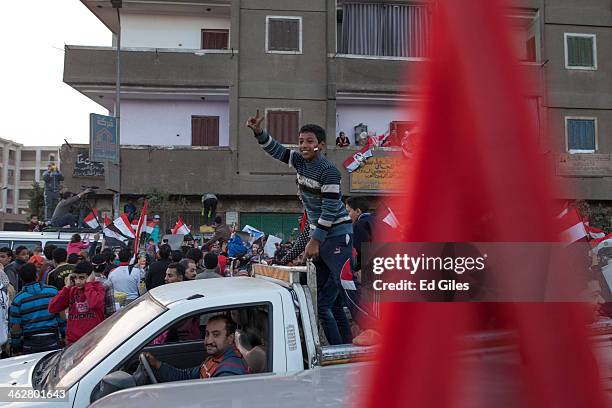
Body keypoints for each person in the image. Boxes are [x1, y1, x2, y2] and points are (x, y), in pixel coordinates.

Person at [247, 110, 354, 345]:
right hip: (321, 235)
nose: (304, 146)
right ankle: (342, 347)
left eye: (309, 142)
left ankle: (370, 329)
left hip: (337, 234)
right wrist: (258, 132)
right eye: (301, 141)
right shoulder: (298, 162)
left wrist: (315, 241)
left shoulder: (329, 172)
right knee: (324, 304)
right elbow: (276, 150)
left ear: (321, 145)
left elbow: (329, 210)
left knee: (345, 283)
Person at [143, 315, 248, 381]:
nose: (209, 341)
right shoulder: (215, 358)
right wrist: (157, 364)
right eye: (207, 334)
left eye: (216, 335)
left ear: (230, 338)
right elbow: (186, 376)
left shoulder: (229, 372)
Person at [9, 264, 65, 355]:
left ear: (21, 279)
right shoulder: (53, 292)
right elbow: (61, 317)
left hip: (30, 342)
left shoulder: (17, 300)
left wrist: (16, 348)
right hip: (52, 338)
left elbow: (16, 327)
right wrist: (64, 335)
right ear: (37, 275)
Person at [48, 261, 105, 345]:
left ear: (90, 276)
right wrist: (66, 287)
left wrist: (89, 284)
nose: (77, 281)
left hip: (93, 340)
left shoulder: (98, 288)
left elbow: (94, 304)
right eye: (75, 278)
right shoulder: (71, 290)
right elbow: (52, 308)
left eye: (82, 278)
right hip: (73, 341)